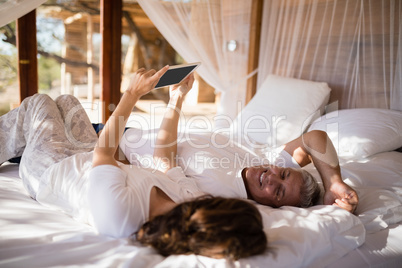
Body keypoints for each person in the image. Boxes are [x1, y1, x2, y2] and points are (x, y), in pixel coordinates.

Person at [0, 67, 267, 260]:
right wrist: (177, 98)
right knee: (66, 102)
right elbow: (164, 158)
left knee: (39, 102)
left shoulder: (121, 217)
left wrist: (132, 93)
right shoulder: (191, 198)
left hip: (51, 171)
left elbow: (104, 154)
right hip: (85, 155)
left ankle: (22, 144)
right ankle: (23, 140)